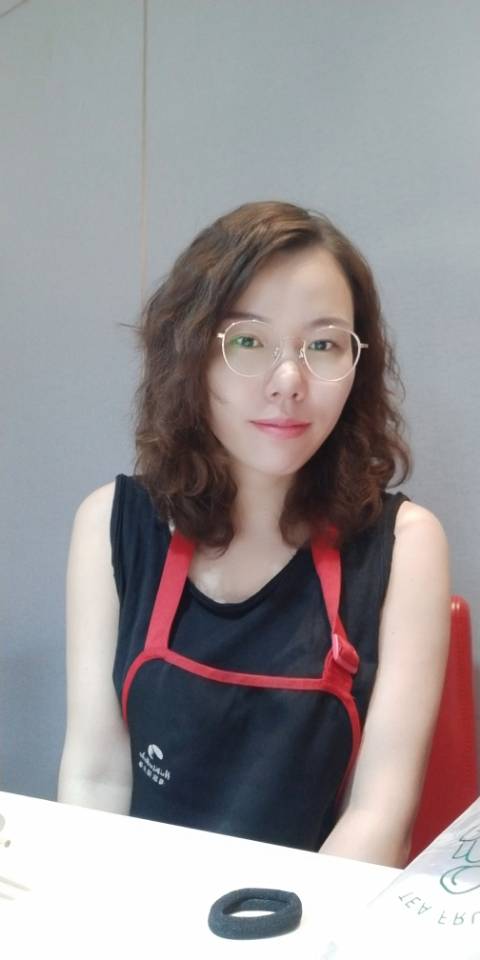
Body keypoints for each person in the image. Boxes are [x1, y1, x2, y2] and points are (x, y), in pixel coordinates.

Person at [57, 201, 450, 867]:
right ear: (192, 353)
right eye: (248, 341)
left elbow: (379, 821)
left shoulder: (406, 546)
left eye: (323, 345)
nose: (289, 382)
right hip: (132, 904)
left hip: (312, 913)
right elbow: (95, 778)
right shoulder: (111, 526)